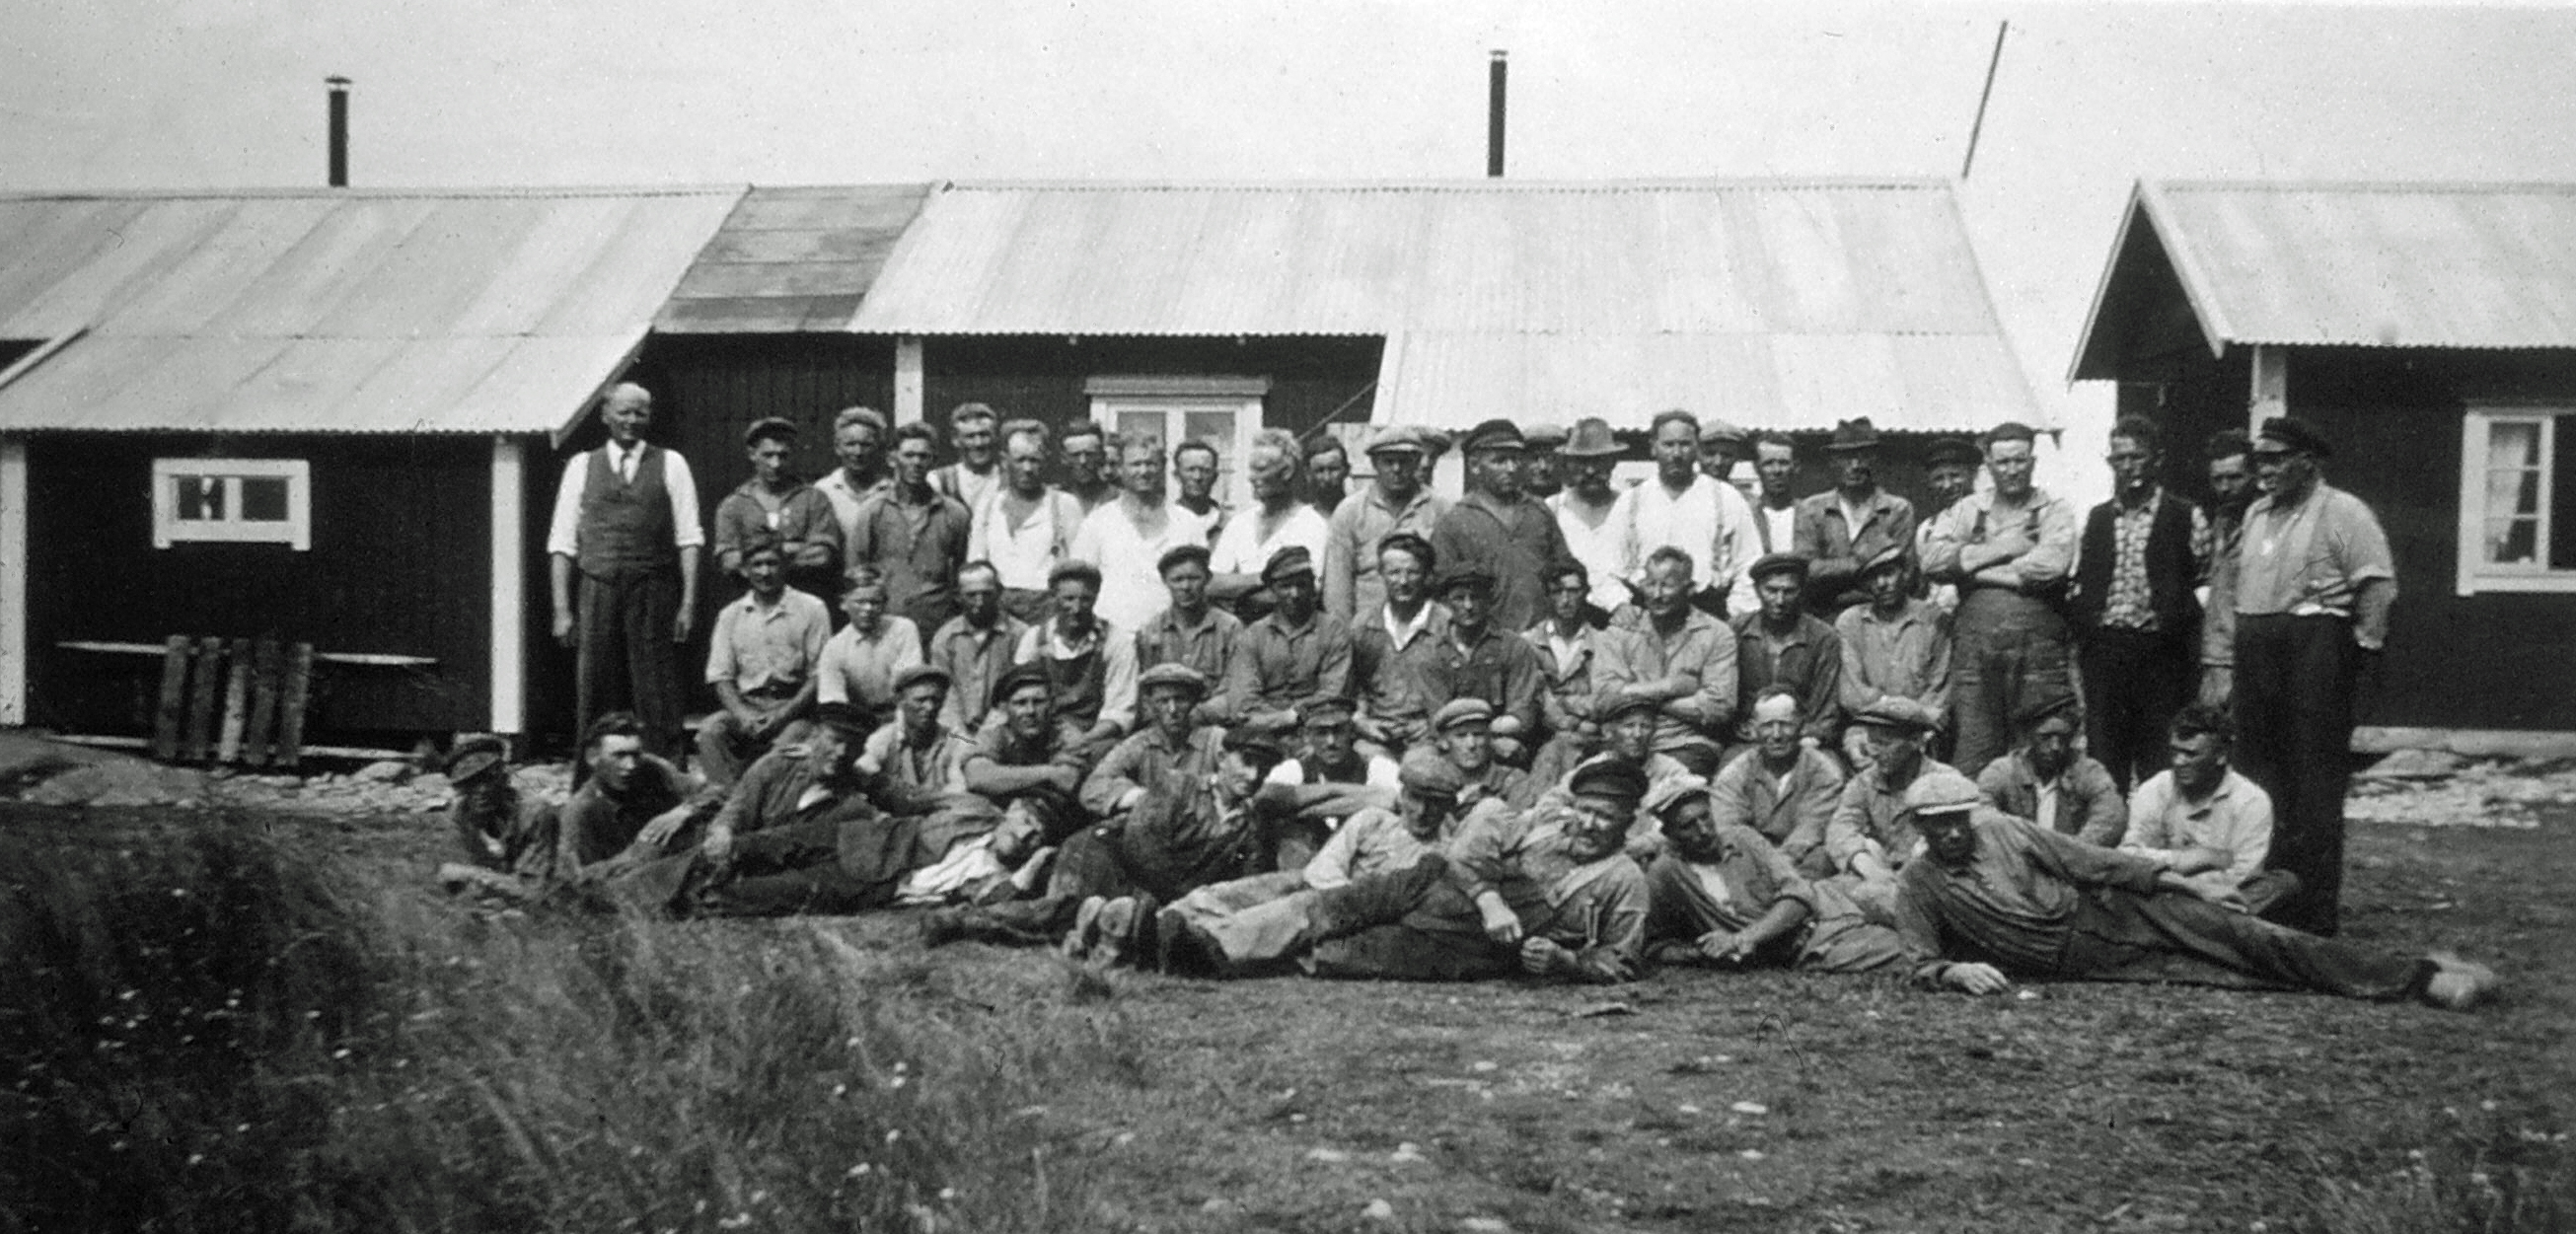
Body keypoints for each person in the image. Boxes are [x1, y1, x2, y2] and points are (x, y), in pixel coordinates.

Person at [1890, 768, 2500, 1010]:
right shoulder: (1920, 884)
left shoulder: (2002, 828)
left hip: (2118, 909)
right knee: (2231, 973)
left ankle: (2422, 976)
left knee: (2245, 933)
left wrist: (2186, 883)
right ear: (1918, 828)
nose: (1950, 833)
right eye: (1935, 825)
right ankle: (2401, 973)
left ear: (1971, 813)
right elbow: (1918, 961)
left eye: (1957, 820)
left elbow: (2095, 861)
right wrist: (1955, 973)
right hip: (2086, 959)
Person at [1176, 758, 1654, 984]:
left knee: (1337, 954)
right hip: (1432, 881)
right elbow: (1477, 834)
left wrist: (1565, 963)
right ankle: (1215, 942)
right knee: (1322, 907)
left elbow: (1622, 961)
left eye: (1604, 816)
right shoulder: (1545, 828)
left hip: (1467, 944)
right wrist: (1488, 896)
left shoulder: (1624, 880)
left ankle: (1198, 953)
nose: (1588, 824)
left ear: (1628, 821)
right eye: (1584, 810)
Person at [2231, 416, 2395, 937]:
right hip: (2259, 654)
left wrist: (2357, 658)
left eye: (2279, 459)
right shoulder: (2256, 513)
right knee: (2260, 778)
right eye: (2262, 460)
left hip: (2316, 653)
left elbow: (2377, 590)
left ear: (2308, 461)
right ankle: (2272, 902)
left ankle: (2315, 910)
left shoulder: (2343, 511)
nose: (2267, 470)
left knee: (2314, 782)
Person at [1156, 742, 1469, 975]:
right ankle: (1166, 922)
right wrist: (1334, 892)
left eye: (1435, 804)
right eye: (1415, 799)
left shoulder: (1443, 854)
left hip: (1344, 916)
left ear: (1448, 807)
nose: (1422, 812)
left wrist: (1339, 903)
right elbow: (1326, 865)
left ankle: (1202, 944)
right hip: (1321, 886)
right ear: (1402, 795)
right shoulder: (1374, 820)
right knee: (1251, 890)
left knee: (1282, 917)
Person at [618, 703, 923, 918]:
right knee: (646, 859)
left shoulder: (852, 801)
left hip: (763, 867)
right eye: (835, 741)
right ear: (815, 735)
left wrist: (866, 777)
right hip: (725, 851)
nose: (841, 753)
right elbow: (736, 809)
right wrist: (723, 830)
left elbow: (911, 798)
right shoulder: (778, 765)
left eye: (852, 746)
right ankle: (601, 887)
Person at [1043, 728, 1300, 967]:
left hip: (1165, 901)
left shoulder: (1251, 825)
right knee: (1050, 916)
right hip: (1109, 865)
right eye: (1247, 762)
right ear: (1221, 757)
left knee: (1167, 933)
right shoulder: (1178, 786)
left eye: (1264, 770)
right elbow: (1141, 851)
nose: (1254, 776)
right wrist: (1179, 900)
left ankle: (1100, 934)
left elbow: (1243, 885)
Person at [548, 383, 703, 761]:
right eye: (623, 412)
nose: (632, 421)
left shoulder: (671, 463)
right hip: (597, 588)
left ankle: (667, 782)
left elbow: (689, 537)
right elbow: (562, 542)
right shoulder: (582, 465)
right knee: (596, 689)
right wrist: (562, 609)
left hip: (652, 590)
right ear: (606, 416)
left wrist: (687, 603)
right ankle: (593, 783)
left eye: (640, 413)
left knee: (657, 691)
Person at [1921, 421, 2080, 776]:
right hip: (1977, 651)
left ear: (2033, 462)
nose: (2012, 470)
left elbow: (2052, 566)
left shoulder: (2053, 509)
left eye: (2019, 461)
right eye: (2003, 462)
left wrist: (1971, 567)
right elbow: (1931, 559)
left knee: (2043, 744)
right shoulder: (1968, 509)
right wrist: (2008, 548)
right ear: (1989, 466)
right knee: (1976, 746)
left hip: (2038, 652)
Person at [1642, 773, 1904, 975]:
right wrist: (1701, 953)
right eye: (1688, 826)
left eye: (1706, 817)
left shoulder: (1742, 837)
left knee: (1900, 901)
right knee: (1910, 951)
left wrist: (1741, 939)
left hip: (1830, 899)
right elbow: (1655, 945)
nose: (1704, 831)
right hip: (1812, 941)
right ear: (1669, 834)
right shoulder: (1666, 874)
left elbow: (1799, 894)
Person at [2072, 415, 2209, 795]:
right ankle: (2110, 844)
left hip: (2161, 655)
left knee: (2158, 756)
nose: (2128, 467)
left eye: (2137, 457)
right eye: (2119, 459)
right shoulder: (2099, 518)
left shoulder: (2185, 516)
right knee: (2105, 754)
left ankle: (2153, 846)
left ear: (2157, 460)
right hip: (2107, 652)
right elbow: (2085, 580)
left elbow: (2203, 581)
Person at [2118, 703, 2300, 917]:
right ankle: (2207, 935)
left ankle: (2182, 931)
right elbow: (2128, 857)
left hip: (2218, 900)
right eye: (2175, 751)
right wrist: (2198, 859)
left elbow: (2243, 875)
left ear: (2221, 755)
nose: (2178, 762)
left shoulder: (2251, 801)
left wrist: (2172, 872)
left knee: (2283, 883)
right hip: (2164, 893)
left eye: (2190, 754)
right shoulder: (2155, 789)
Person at [696, 534, 831, 786]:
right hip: (747, 706)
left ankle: (765, 809)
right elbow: (720, 677)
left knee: (786, 747)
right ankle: (727, 801)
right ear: (745, 571)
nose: (765, 572)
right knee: (710, 731)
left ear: (785, 566)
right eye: (757, 565)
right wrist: (743, 715)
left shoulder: (812, 608)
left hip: (793, 708)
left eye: (772, 563)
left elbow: (819, 675)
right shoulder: (731, 615)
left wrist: (782, 716)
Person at [1590, 545, 1736, 775]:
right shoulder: (1622, 630)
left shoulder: (1717, 633)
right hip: (1623, 744)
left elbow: (1718, 707)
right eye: (1650, 584)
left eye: (1667, 585)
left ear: (1689, 589)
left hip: (1686, 744)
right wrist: (1671, 687)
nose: (1656, 594)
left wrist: (1634, 694)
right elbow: (1602, 700)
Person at [1431, 418, 1579, 634]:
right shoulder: (1455, 521)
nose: (1510, 468)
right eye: (1499, 461)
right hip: (1484, 639)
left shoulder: (1538, 511)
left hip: (1540, 638)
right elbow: (1441, 592)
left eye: (1516, 460)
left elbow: (1564, 569)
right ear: (1474, 465)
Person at [1823, 696, 1966, 919]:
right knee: (1823, 891)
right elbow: (1840, 828)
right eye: (1871, 742)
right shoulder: (1865, 782)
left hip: (1933, 881)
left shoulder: (1945, 781)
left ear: (1916, 741)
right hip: (1885, 878)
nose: (1874, 752)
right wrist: (1868, 867)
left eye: (1885, 743)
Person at [1616, 408, 1757, 620]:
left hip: (1708, 611)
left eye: (1684, 444)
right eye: (1668, 444)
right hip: (1644, 613)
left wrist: (1735, 614)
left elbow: (1749, 563)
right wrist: (1619, 605)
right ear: (1653, 448)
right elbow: (1607, 566)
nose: (1676, 454)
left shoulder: (1726, 498)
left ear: (1697, 449)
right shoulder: (1631, 500)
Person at [1071, 432, 1208, 633]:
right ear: (1119, 469)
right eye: (1135, 464)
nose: (1144, 471)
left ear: (1162, 467)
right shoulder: (1098, 521)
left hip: (1171, 636)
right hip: (1113, 637)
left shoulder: (1187, 522)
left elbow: (1201, 583)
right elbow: (1080, 582)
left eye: (1151, 464)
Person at [553, 711, 718, 877]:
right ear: (593, 757)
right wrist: (637, 856)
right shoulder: (581, 810)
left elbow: (716, 791)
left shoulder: (652, 769)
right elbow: (574, 882)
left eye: (635, 754)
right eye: (619, 756)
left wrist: (684, 811)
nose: (631, 765)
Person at [846, 421, 972, 636]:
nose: (916, 463)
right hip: (885, 625)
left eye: (923, 456)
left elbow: (961, 573)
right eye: (909, 455)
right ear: (892, 459)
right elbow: (855, 570)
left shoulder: (954, 514)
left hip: (936, 625)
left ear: (933, 460)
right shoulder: (873, 511)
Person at [1705, 687, 1846, 876]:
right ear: (1753, 729)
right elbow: (1729, 828)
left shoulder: (1825, 773)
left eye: (1786, 724)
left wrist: (1778, 867)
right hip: (1751, 863)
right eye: (1767, 725)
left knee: (1821, 858)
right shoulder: (1735, 773)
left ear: (1802, 726)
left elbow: (1810, 830)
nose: (1777, 735)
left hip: (1800, 861)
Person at [1836, 544, 1952, 768]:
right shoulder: (1851, 622)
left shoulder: (1934, 619)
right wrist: (1896, 708)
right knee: (1861, 755)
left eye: (1888, 573)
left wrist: (1915, 719)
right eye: (1872, 577)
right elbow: (1852, 695)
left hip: (1920, 727)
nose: (1881, 584)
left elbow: (1939, 690)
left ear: (1905, 573)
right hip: (1867, 726)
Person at [1012, 559, 1140, 765]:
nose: (1076, 608)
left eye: (1085, 599)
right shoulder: (1035, 639)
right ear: (1053, 597)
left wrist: (1082, 740)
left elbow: (1120, 713)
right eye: (1068, 599)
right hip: (1043, 734)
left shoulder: (1116, 641)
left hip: (1093, 737)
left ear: (1097, 597)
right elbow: (1019, 696)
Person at [1213, 545, 1353, 730]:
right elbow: (1244, 700)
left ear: (1313, 587)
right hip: (1262, 729)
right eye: (1285, 586)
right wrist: (1281, 719)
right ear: (1272, 590)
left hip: (1318, 727)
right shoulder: (1254, 635)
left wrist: (1297, 715)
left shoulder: (1333, 630)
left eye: (1301, 585)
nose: (1294, 594)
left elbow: (1333, 694)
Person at [1324, 425, 1451, 621]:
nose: (1397, 469)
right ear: (1375, 464)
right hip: (1367, 630)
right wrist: (1344, 638)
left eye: (1404, 462)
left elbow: (1447, 579)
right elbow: (1337, 589)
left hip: (1423, 629)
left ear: (1417, 461)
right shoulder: (1350, 511)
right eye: (1388, 462)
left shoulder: (1440, 508)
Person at [1793, 416, 1917, 615]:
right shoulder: (1812, 509)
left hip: (1881, 616)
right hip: (1825, 615)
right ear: (1833, 461)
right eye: (1845, 457)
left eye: (1863, 456)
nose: (1855, 465)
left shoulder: (1897, 510)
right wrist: (1863, 562)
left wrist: (1836, 578)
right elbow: (1805, 572)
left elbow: (1905, 576)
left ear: (1875, 460)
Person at [969, 419, 1087, 624]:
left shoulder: (1064, 505)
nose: (1027, 468)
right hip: (999, 609)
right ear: (1005, 461)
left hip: (1047, 608)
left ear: (1045, 461)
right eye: (1020, 459)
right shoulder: (988, 505)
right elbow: (976, 564)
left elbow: (1079, 568)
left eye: (1034, 460)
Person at [711, 416, 844, 599]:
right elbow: (729, 561)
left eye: (783, 455)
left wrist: (760, 557)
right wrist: (792, 548)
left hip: (804, 601)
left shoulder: (813, 499)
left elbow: (821, 556)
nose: (776, 464)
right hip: (751, 604)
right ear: (752, 454)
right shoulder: (734, 505)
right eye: (768, 455)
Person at [1425, 565, 1545, 761]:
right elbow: (1438, 717)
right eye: (1459, 598)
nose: (1468, 606)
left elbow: (1521, 716)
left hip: (1501, 741)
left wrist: (1482, 737)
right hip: (1449, 744)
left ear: (1489, 601)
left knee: (1512, 750)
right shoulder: (1433, 651)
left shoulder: (1513, 647)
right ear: (1446, 603)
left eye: (1476, 597)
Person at [1080, 663, 1227, 820]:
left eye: (1180, 700)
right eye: (1163, 701)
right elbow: (1092, 787)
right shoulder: (1139, 743)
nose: (1172, 710)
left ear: (1194, 702)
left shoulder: (1215, 739)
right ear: (1150, 705)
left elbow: (1237, 779)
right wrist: (1142, 798)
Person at [960, 664, 1088, 838]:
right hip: (1002, 814)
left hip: (1054, 819)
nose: (1030, 711)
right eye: (1020, 703)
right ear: (1005, 709)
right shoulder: (994, 732)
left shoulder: (1068, 735)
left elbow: (1067, 780)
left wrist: (1005, 781)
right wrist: (1048, 773)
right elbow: (977, 777)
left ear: (1051, 706)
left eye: (1038, 702)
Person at [1730, 553, 1843, 749]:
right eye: (1771, 590)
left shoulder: (1823, 638)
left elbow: (1826, 711)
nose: (1780, 600)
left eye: (1789, 591)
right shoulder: (1736, 631)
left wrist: (1807, 737)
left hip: (1804, 740)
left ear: (1802, 592)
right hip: (1748, 740)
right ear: (1757, 590)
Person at [1209, 429, 1332, 609]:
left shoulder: (1312, 525)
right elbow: (1211, 584)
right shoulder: (1240, 524)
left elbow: (1304, 593)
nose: (1251, 477)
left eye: (1260, 469)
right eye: (1251, 469)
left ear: (1287, 472)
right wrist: (1264, 578)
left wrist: (1236, 592)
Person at [1350, 533, 1448, 756]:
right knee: (1370, 763)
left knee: (1419, 770)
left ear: (1426, 575)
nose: (1403, 582)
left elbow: (1461, 688)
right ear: (1381, 574)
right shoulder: (1364, 625)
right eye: (1394, 572)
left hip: (1428, 736)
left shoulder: (1445, 624)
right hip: (1378, 733)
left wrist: (1435, 723)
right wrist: (1362, 721)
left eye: (1412, 573)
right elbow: (1352, 688)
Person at [1975, 696, 2123, 845]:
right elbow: (1982, 812)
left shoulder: (2086, 769)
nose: (2055, 746)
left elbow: (2111, 816)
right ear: (2028, 736)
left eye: (2063, 738)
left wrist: (2074, 850)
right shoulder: (2004, 770)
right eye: (2045, 738)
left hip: (2071, 859)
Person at [435, 735, 557, 899]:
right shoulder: (461, 816)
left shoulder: (535, 813)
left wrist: (474, 875)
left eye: (488, 779)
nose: (481, 790)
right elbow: (448, 876)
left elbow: (534, 890)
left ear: (504, 778)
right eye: (470, 783)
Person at [1257, 693, 1403, 831]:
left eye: (1338, 731)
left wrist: (1317, 803)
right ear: (1306, 736)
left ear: (1352, 732)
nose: (1331, 742)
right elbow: (1267, 798)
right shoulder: (1295, 768)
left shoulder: (1377, 766)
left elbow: (1393, 800)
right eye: (1321, 733)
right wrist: (1336, 791)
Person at [1134, 543, 1243, 715]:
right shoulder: (1150, 631)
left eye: (1193, 578)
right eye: (1177, 580)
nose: (1185, 587)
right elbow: (1144, 691)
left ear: (1207, 578)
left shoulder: (1229, 628)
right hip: (1164, 723)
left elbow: (1236, 688)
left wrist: (1200, 714)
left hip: (1213, 721)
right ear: (1165, 581)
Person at [815, 566, 925, 732]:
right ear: (843, 603)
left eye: (874, 602)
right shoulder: (834, 648)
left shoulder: (903, 630)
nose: (868, 609)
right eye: (860, 602)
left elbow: (908, 681)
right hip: (858, 723)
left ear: (884, 603)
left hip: (902, 717)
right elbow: (833, 701)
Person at [925, 561, 1028, 737]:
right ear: (958, 596)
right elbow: (944, 692)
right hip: (957, 730)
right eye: (971, 595)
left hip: (1006, 728)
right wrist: (959, 733)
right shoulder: (945, 637)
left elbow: (1019, 690)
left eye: (986, 594)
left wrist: (991, 731)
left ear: (999, 592)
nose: (979, 602)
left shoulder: (1019, 634)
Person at [1526, 560, 1608, 765]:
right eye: (1557, 592)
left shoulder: (1603, 643)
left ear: (1586, 592)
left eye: (1573, 591)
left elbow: (1603, 697)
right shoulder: (1528, 643)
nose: (1565, 600)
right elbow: (1528, 695)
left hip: (1587, 735)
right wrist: (1560, 718)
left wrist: (1567, 704)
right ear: (1547, 595)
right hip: (1538, 737)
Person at [2198, 427, 2257, 707]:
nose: (2224, 487)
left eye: (2234, 477)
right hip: (2216, 656)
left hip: (2249, 659)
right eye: (2217, 479)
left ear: (2254, 475)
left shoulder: (2268, 523)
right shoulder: (2222, 521)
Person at [1549, 417, 1631, 617]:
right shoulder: (1552, 509)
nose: (1591, 471)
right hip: (1568, 617)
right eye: (1582, 462)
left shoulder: (1630, 506)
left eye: (1599, 462)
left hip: (1622, 616)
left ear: (1613, 462)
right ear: (1569, 464)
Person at [814, 406, 895, 578]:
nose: (857, 452)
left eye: (866, 445)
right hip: (833, 586)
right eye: (850, 444)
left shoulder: (892, 491)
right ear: (837, 447)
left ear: (879, 448)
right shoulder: (822, 491)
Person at [1914, 437, 1982, 615]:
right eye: (1938, 478)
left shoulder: (1988, 516)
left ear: (1972, 474)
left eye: (1955, 476)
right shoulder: (1927, 529)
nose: (1947, 485)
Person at [930, 402, 1003, 515]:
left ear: (995, 437)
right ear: (955, 440)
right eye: (970, 436)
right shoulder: (938, 481)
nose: (978, 443)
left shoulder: (1009, 479)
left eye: (984, 435)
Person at [1748, 431, 1801, 555]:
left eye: (1784, 463)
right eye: (1768, 463)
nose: (1776, 470)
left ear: (1796, 466)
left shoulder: (1810, 515)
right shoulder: (1747, 515)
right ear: (1756, 468)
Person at [1168, 438, 1225, 540]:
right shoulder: (1164, 524)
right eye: (1190, 470)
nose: (1197, 477)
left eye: (1205, 471)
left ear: (1215, 476)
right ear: (1177, 475)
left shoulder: (1230, 525)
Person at [1060, 422, 1120, 515]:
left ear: (1102, 456)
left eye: (1089, 454)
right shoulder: (1054, 501)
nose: (1083, 461)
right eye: (1075, 455)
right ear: (1064, 459)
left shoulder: (1118, 499)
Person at [1520, 421, 1569, 502]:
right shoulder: (1511, 503)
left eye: (1550, 459)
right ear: (1522, 462)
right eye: (1534, 459)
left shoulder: (1571, 503)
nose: (1543, 467)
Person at [1303, 435, 1351, 516]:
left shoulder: (1360, 516)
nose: (1327, 478)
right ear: (1308, 474)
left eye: (1333, 469)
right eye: (1320, 471)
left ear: (1346, 470)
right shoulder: (1302, 520)